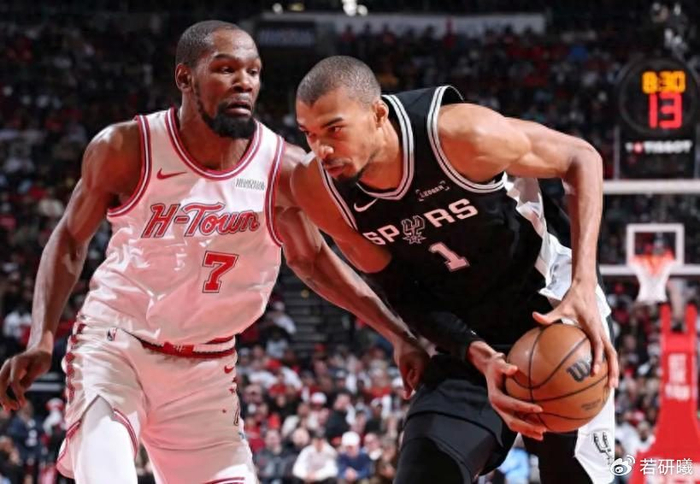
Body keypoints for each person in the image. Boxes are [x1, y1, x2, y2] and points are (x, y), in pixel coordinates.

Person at [0, 25, 428, 484]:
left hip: (206, 371)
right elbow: (69, 239)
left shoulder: (282, 167)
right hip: (116, 345)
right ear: (185, 78)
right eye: (225, 69)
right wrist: (41, 338)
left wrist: (396, 333)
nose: (244, 82)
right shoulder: (127, 148)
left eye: (253, 72)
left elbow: (313, 260)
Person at [292, 56, 620, 483]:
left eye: (334, 129)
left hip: (551, 313)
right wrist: (474, 352)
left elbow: (581, 157)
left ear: (378, 114)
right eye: (309, 134)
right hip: (467, 335)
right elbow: (401, 290)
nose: (322, 149)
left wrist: (584, 283)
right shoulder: (319, 190)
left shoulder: (460, 135)